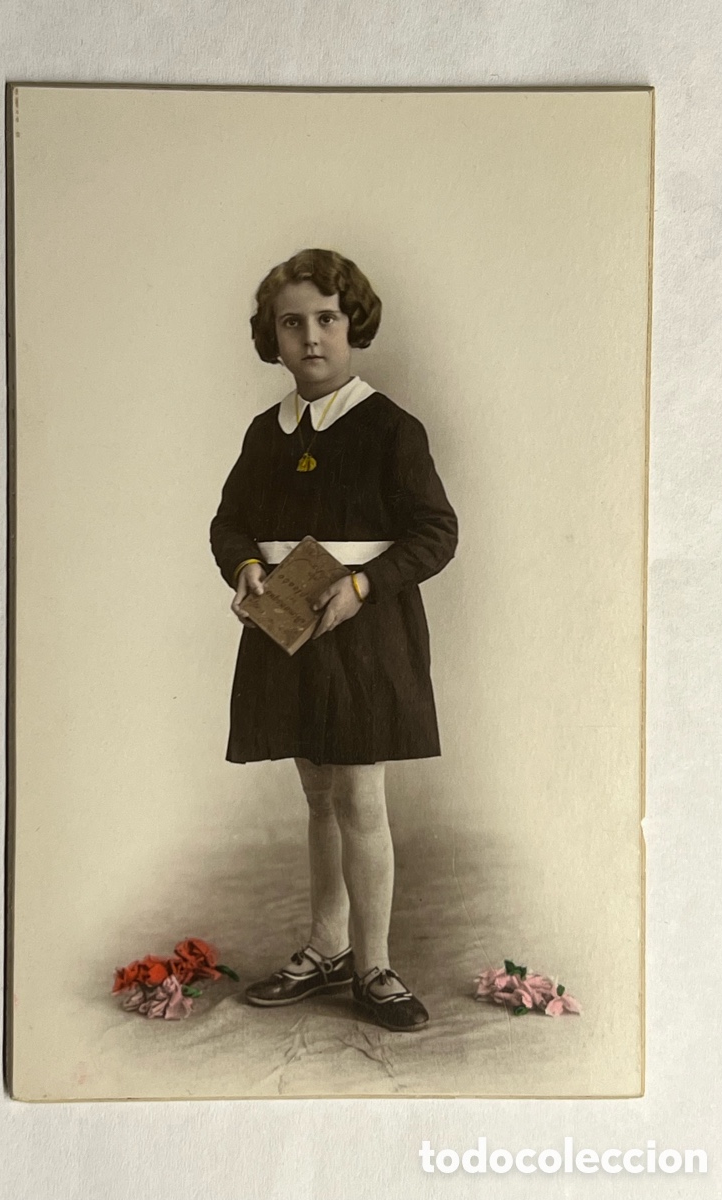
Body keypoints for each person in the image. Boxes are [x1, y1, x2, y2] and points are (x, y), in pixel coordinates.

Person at [209, 248, 458, 1031]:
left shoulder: (390, 428)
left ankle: (375, 964)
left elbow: (436, 533)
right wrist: (247, 567)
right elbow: (230, 523)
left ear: (354, 325)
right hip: (285, 629)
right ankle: (327, 946)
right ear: (272, 337)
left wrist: (361, 586)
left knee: (357, 796)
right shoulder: (265, 434)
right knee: (317, 795)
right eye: (292, 323)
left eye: (326, 318)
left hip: (363, 637)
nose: (310, 337)